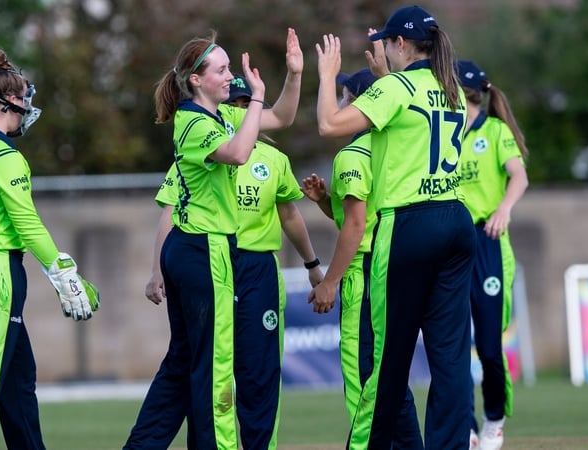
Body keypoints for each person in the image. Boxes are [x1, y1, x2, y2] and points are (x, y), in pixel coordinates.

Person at [123, 28, 303, 450]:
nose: (229, 77)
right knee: (215, 365)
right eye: (221, 70)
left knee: (185, 361)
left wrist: (293, 75)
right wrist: (256, 96)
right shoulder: (192, 124)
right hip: (203, 250)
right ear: (196, 80)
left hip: (197, 249)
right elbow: (240, 153)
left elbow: (281, 118)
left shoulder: (219, 116)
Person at [313, 5, 476, 449]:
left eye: (386, 41)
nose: (382, 46)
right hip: (456, 220)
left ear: (400, 44)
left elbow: (330, 123)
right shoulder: (452, 88)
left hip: (409, 225)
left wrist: (328, 74)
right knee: (451, 361)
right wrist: (386, 76)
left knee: (384, 361)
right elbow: (408, 118)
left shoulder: (399, 88)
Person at [0, 48, 99, 450]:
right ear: (10, 102)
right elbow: (26, 223)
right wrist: (63, 273)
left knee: (17, 379)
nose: (29, 107)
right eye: (25, 99)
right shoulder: (6, 156)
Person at [301, 68, 422, 449]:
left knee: (362, 380)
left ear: (357, 101)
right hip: (398, 267)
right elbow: (362, 216)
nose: (339, 104)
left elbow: (355, 228)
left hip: (366, 274)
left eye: (343, 96)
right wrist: (325, 201)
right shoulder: (394, 149)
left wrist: (329, 281)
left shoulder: (354, 154)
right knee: (390, 377)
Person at [457, 60, 529, 450]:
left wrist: (503, 208)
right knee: (451, 344)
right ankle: (464, 427)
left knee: (487, 345)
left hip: (487, 240)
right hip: (452, 245)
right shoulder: (443, 132)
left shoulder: (495, 130)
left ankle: (494, 420)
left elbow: (519, 175)